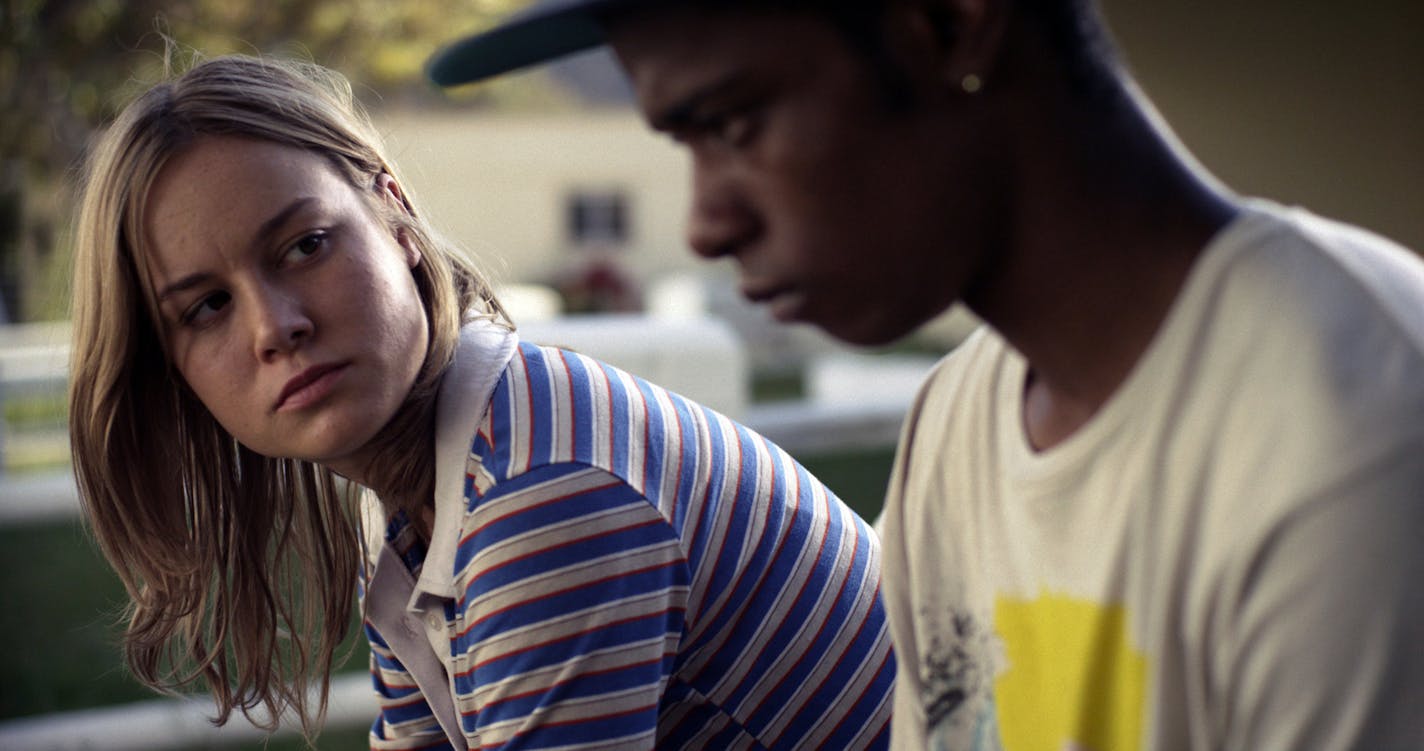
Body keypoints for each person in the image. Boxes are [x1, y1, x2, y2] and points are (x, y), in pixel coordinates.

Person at [425, 0, 1424, 748]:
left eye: (733, 124)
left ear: (949, 27)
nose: (702, 222)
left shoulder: (1355, 440)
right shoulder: (958, 415)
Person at [68, 53, 895, 750]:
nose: (275, 327)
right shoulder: (426, 494)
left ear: (393, 212)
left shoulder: (541, 486)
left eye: (305, 245)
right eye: (206, 305)